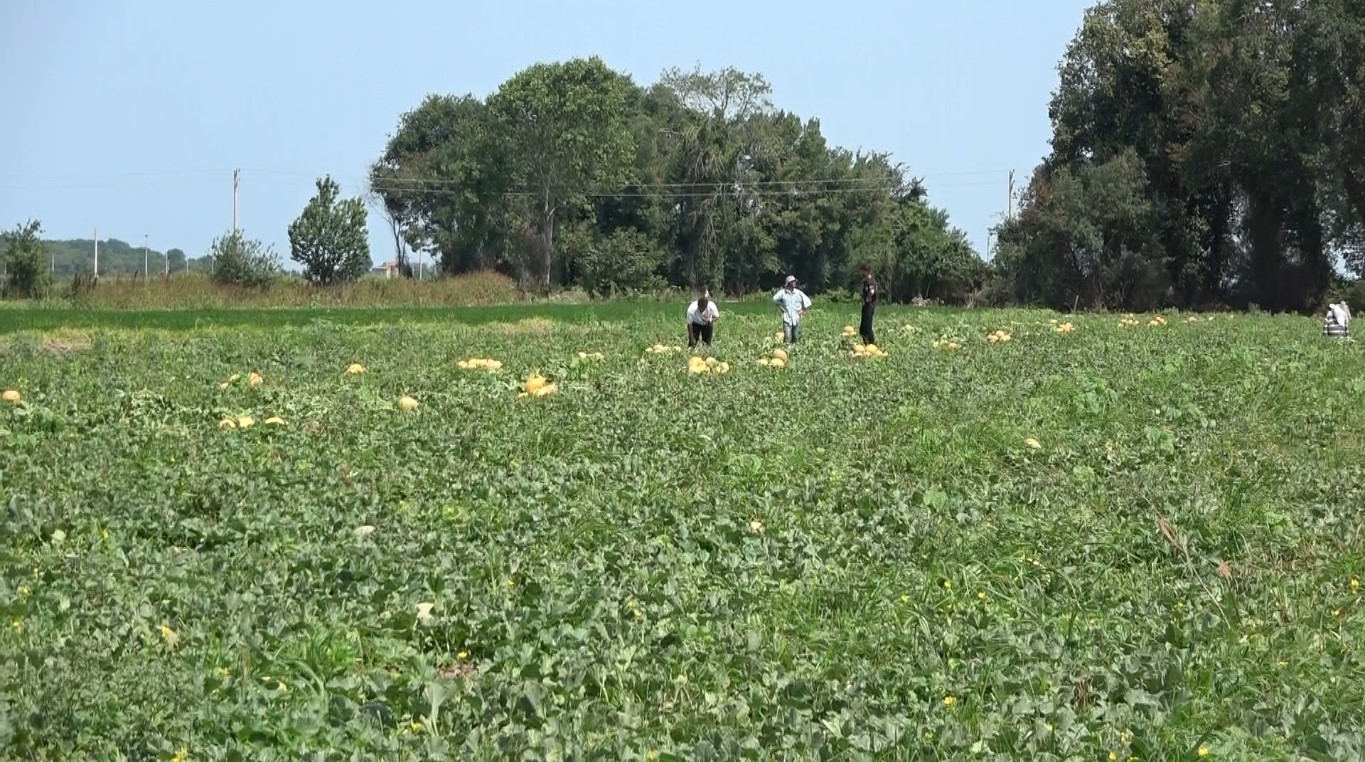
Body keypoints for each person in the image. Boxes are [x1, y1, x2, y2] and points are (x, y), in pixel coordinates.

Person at [773, 275, 812, 343]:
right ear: (788, 283)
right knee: (787, 336)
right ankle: (786, 350)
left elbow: (808, 302)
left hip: (796, 317)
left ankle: (794, 350)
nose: (794, 283)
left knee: (795, 336)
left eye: (794, 281)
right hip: (787, 317)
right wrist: (780, 306)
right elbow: (775, 299)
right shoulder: (783, 293)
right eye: (792, 282)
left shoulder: (798, 293)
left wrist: (803, 310)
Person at [859, 264, 878, 345]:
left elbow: (872, 291)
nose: (861, 273)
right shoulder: (866, 281)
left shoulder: (871, 281)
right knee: (862, 329)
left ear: (866, 271)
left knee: (868, 327)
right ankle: (866, 344)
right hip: (866, 306)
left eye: (862, 271)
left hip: (870, 306)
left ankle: (872, 345)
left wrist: (868, 298)